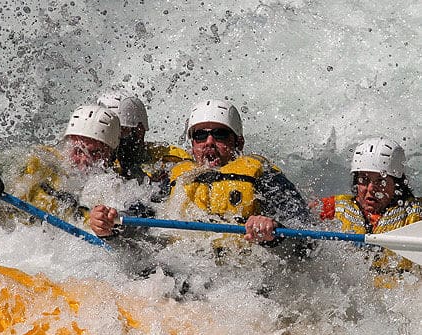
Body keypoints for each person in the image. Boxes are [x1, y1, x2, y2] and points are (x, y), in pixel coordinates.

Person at [90, 99, 309, 250]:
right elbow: (143, 215)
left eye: (220, 134)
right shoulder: (174, 177)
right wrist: (112, 223)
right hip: (188, 269)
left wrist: (274, 231)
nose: (209, 142)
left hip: (244, 277)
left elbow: (305, 234)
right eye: (200, 136)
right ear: (193, 144)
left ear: (238, 142)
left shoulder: (264, 177)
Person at [313, 137, 422, 287]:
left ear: (397, 183)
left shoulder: (415, 213)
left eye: (380, 181)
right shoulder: (333, 208)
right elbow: (297, 217)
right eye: (363, 180)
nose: (371, 189)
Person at [11, 104, 121, 223]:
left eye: (94, 153)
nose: (84, 159)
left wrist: (103, 224)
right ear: (67, 145)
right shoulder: (40, 161)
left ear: (110, 153)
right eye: (78, 151)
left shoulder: (116, 182)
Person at [97, 93, 191, 183]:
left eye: (120, 131)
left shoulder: (171, 159)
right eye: (106, 132)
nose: (112, 138)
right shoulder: (95, 158)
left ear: (139, 130)